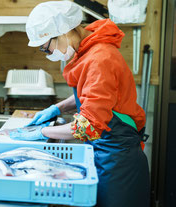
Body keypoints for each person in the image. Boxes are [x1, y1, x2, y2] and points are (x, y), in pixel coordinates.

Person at [9, 1, 150, 207]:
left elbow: (88, 126)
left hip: (118, 163)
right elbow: (91, 96)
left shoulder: (100, 58)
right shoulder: (88, 49)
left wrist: (43, 133)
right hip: (105, 153)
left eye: (46, 48)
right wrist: (57, 108)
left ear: (63, 32)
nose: (48, 54)